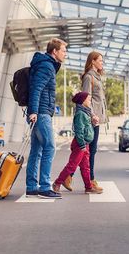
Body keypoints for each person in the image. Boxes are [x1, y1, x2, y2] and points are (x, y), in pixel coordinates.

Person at [25, 38, 67, 199]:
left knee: (36, 150)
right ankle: (44, 187)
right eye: (63, 50)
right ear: (54, 51)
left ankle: (31, 187)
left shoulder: (44, 64)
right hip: (41, 113)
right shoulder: (46, 66)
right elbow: (36, 89)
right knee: (50, 147)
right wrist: (34, 111)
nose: (65, 54)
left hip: (39, 112)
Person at [63, 51, 107, 191]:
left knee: (88, 151)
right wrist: (92, 116)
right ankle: (90, 181)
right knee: (87, 151)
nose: (102, 62)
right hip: (91, 119)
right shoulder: (89, 77)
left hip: (96, 118)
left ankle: (72, 177)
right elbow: (85, 99)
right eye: (100, 60)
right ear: (92, 61)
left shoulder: (97, 77)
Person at [53, 92, 103, 194]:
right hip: (80, 144)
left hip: (85, 144)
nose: (90, 101)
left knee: (86, 166)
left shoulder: (85, 112)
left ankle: (88, 187)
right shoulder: (80, 114)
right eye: (89, 100)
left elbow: (86, 129)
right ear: (83, 101)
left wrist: (93, 124)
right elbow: (79, 131)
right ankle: (57, 183)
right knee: (72, 165)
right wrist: (82, 145)